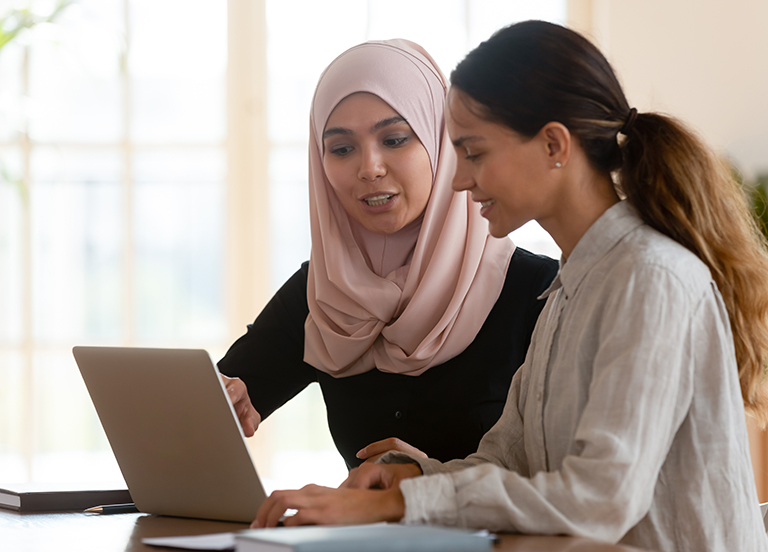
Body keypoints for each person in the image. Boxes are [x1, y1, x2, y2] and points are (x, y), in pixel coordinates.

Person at [253, 21, 768, 552]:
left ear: (553, 145)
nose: (458, 179)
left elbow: (601, 499)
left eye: (473, 153)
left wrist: (398, 505)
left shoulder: (650, 279)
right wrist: (412, 476)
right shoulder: (570, 286)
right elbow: (507, 459)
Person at [218, 39, 558, 469]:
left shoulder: (541, 293)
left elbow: (568, 480)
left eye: (395, 139)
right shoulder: (323, 292)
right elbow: (223, 394)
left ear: (443, 144)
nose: (369, 168)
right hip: (366, 538)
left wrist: (430, 483)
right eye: (342, 149)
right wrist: (220, 400)